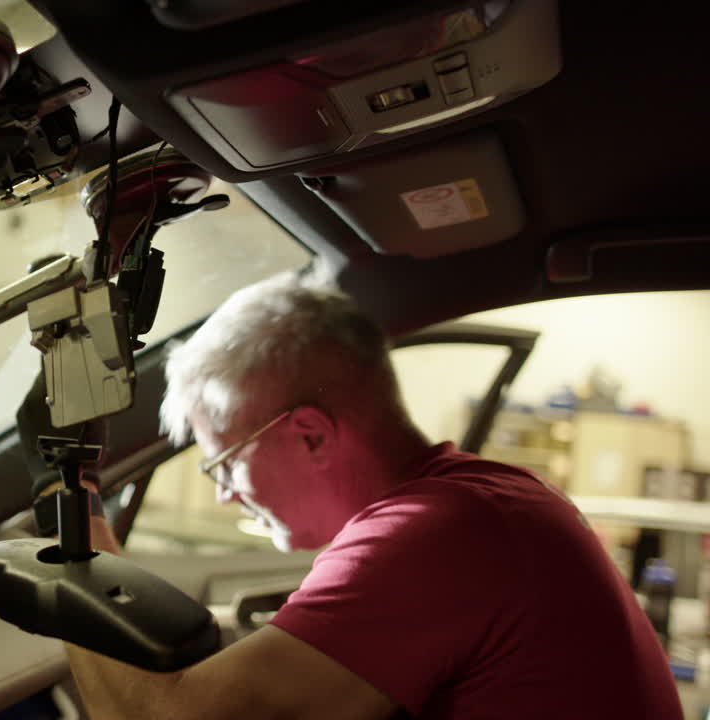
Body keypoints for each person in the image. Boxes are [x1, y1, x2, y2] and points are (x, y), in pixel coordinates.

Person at [63, 273, 681, 719]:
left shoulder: (432, 535)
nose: (224, 495)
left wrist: (70, 494)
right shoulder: (484, 501)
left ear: (309, 436)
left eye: (222, 462)